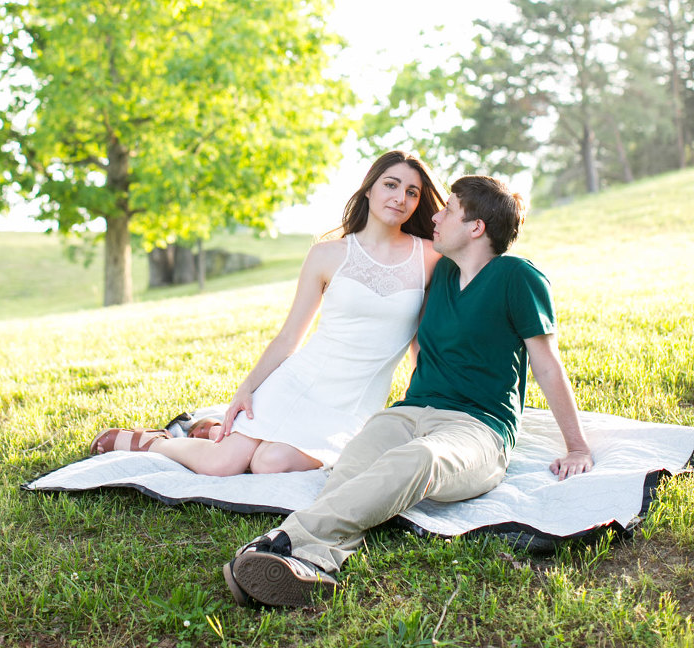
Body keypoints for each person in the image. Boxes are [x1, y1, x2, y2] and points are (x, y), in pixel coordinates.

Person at [224, 174, 594, 608]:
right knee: (353, 469)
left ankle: (281, 541)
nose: (435, 215)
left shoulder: (518, 277)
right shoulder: (439, 275)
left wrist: (577, 447)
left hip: (478, 428)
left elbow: (547, 365)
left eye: (449, 210)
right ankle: (315, 563)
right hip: (409, 413)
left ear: (476, 227)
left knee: (418, 460)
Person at [89, 150, 444, 476]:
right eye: (391, 184)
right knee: (222, 466)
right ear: (369, 189)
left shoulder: (429, 257)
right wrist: (246, 389)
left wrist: (421, 408)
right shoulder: (327, 255)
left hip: (351, 406)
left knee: (268, 464)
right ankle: (157, 442)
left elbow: (421, 346)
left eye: (412, 192)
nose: (400, 197)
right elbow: (291, 336)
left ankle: (214, 432)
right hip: (298, 382)